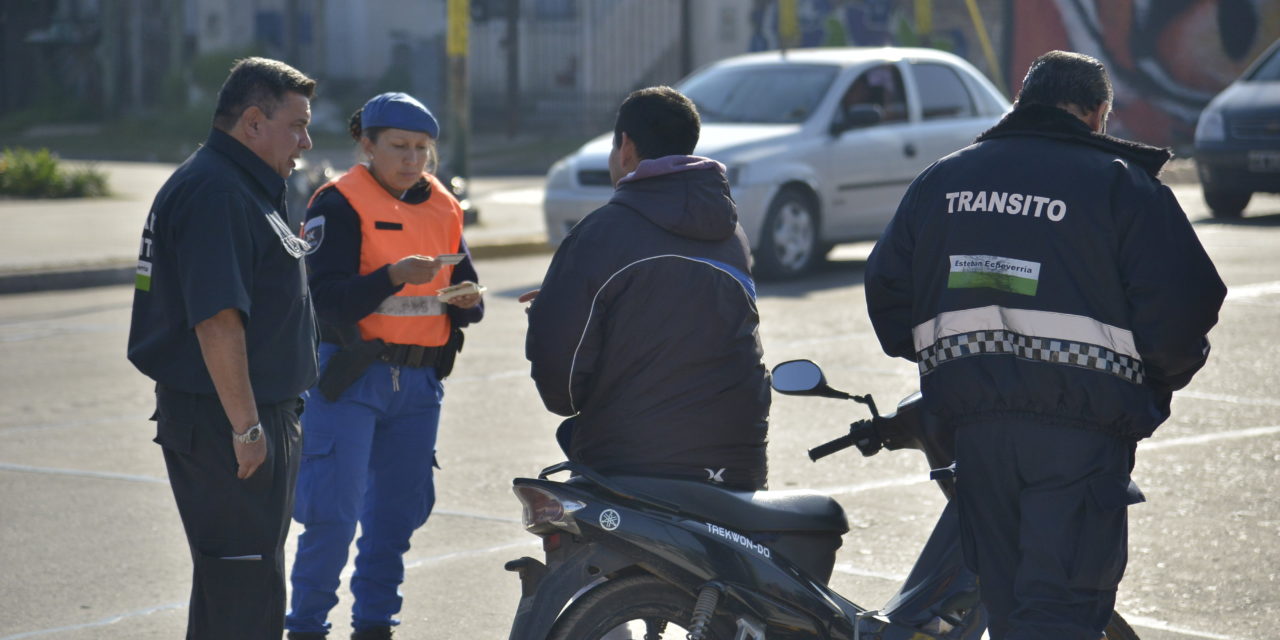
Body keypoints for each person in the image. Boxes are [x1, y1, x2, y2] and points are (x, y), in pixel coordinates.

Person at [864, 50, 1226, 639]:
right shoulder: (1119, 185)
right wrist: (1152, 380)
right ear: (1098, 113)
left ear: (1021, 104)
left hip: (976, 437)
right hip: (1079, 439)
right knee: (1060, 614)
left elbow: (889, 296)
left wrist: (961, 359)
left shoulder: (944, 179)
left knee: (1006, 613)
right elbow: (1185, 304)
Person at [126, 57, 317, 639]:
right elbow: (217, 322)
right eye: (297, 125)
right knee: (243, 591)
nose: (306, 142)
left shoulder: (237, 183)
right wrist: (248, 428)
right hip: (227, 424)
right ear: (253, 123)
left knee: (236, 587)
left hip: (234, 417)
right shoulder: (219, 192)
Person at [285, 92, 484, 640]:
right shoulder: (337, 202)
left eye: (422, 149)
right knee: (332, 517)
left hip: (419, 383)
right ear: (366, 145)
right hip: (351, 377)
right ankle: (305, 628)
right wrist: (392, 275)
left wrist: (469, 299)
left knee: (395, 522)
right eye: (398, 147)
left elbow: (468, 294)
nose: (412, 160)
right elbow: (323, 301)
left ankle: (374, 626)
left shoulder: (444, 206)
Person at [524, 86, 770, 490]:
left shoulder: (601, 232)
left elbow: (562, 388)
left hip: (632, 461)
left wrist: (548, 315)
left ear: (625, 147)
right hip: (740, 462)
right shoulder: (731, 235)